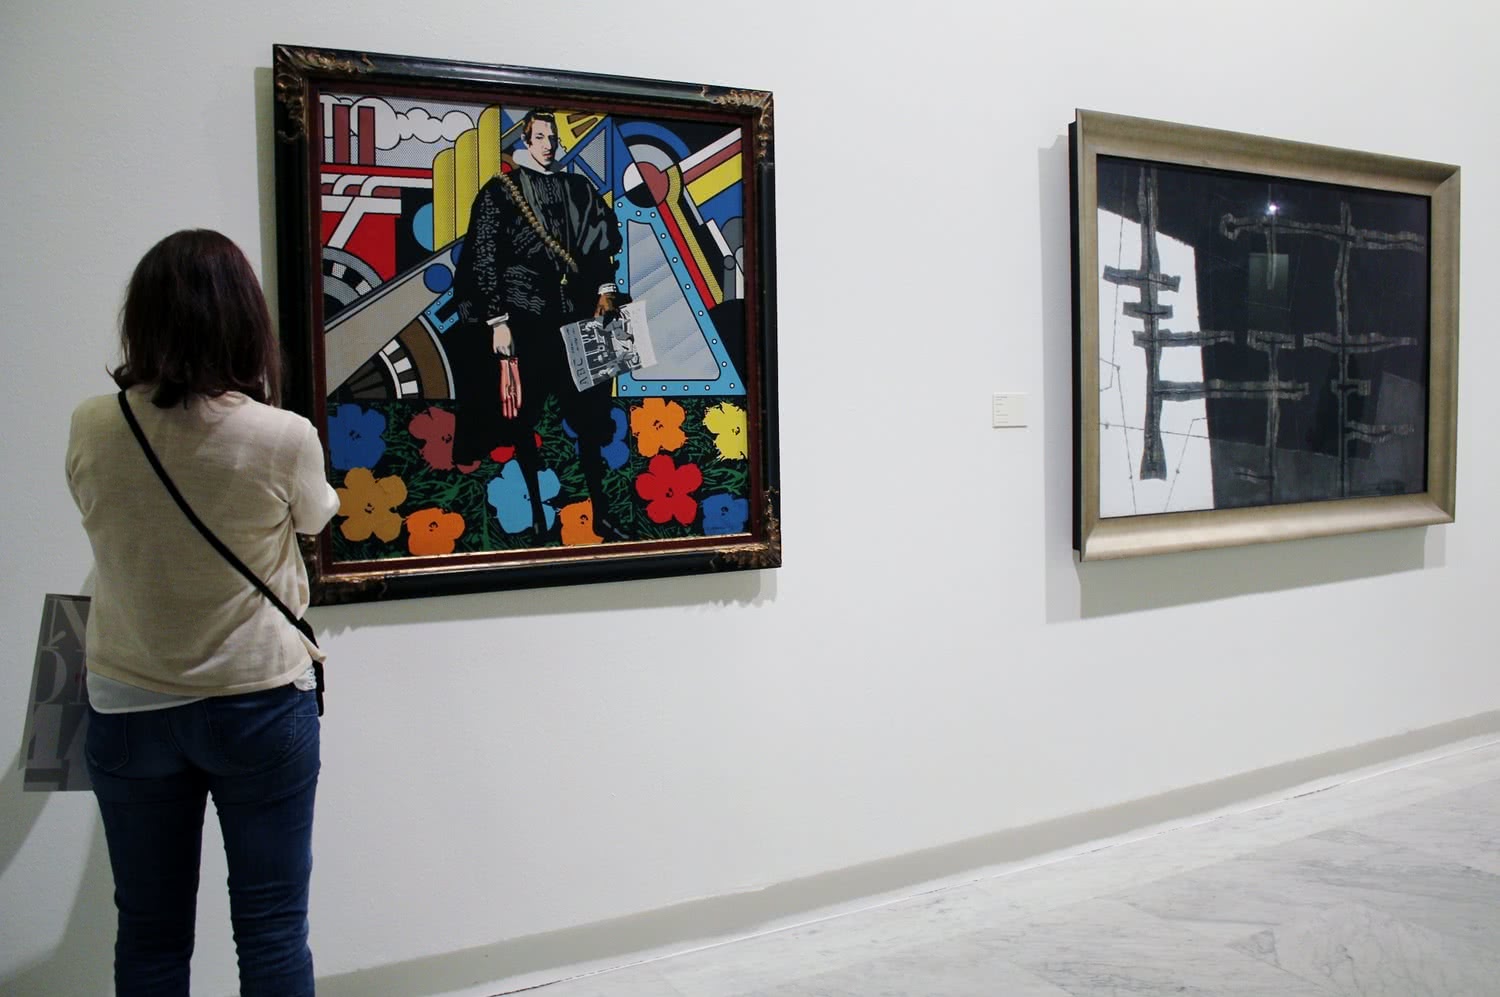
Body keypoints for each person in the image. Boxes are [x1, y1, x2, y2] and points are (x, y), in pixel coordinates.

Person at [66, 229, 340, 996]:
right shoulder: (282, 436)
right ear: (245, 321)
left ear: (142, 319)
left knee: (149, 932)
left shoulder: (93, 423)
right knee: (273, 928)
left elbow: (96, 508)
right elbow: (317, 515)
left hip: (128, 702)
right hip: (259, 702)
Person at [448, 110, 628, 538]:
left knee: (590, 417)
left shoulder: (578, 188)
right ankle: (536, 519)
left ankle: (600, 513)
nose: (548, 145)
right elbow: (484, 257)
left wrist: (606, 290)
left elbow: (600, 247)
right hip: (524, 317)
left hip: (579, 317)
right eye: (540, 137)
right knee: (522, 420)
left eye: (553, 138)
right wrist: (498, 322)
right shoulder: (499, 192)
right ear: (525, 142)